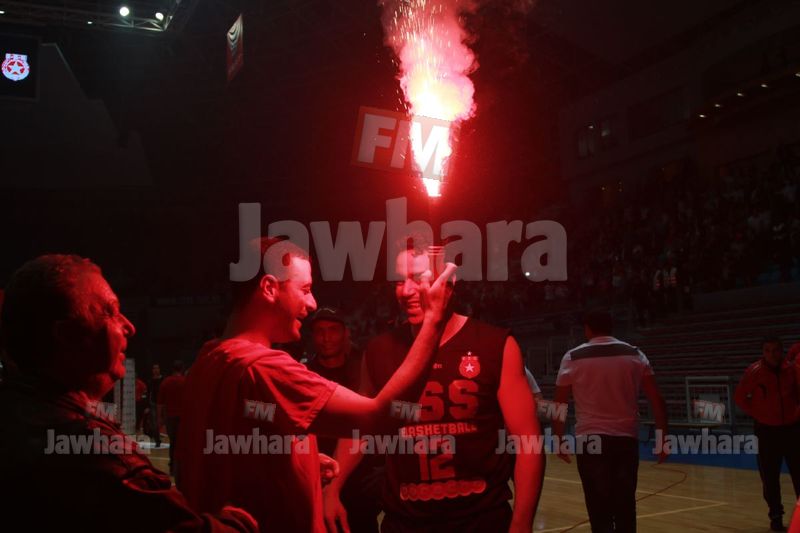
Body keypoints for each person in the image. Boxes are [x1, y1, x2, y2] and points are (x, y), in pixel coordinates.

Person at [177, 237, 455, 532]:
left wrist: (301, 459)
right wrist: (434, 320)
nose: (312, 303)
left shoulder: (210, 357)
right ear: (269, 288)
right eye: (305, 289)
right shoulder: (264, 368)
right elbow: (379, 417)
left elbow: (232, 447)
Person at [0, 254, 258, 532]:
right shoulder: (99, 456)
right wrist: (237, 522)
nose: (129, 326)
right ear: (66, 335)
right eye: (110, 311)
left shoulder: (16, 412)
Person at [325, 239, 544, 533]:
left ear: (448, 281)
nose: (406, 291)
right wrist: (332, 488)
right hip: (404, 521)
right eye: (399, 281)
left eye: (417, 278)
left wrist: (522, 522)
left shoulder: (495, 345)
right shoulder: (378, 350)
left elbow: (528, 441)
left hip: (481, 521)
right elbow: (362, 427)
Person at [553, 308, 668, 533]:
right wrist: (663, 438)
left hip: (590, 441)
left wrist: (558, 438)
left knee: (598, 509)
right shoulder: (635, 354)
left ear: (587, 329)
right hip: (626, 439)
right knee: (625, 506)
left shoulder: (573, 357)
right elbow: (657, 400)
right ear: (612, 327)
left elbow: (559, 403)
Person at [306, 307, 381, 533]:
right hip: (317, 477)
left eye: (332, 330)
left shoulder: (362, 372)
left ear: (346, 332)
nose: (326, 337)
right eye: (320, 331)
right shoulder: (304, 374)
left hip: (361, 481)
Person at [734, 336, 800, 532]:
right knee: (770, 478)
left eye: (776, 350)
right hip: (767, 431)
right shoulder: (754, 371)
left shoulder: (792, 370)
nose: (772, 354)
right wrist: (759, 413)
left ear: (782, 351)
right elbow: (740, 397)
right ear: (763, 352)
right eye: (767, 350)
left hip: (792, 429)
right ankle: (776, 516)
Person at [158, 359, 186, 476]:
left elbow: (160, 404)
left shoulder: (165, 382)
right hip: (184, 418)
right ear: (182, 369)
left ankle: (172, 468)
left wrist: (160, 419)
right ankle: (182, 468)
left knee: (173, 443)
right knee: (183, 443)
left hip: (170, 417)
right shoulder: (187, 381)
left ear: (172, 369)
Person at [148, 363, 164, 447]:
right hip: (153, 403)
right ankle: (157, 440)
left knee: (165, 422)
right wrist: (147, 405)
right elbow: (148, 393)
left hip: (163, 403)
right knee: (154, 423)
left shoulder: (163, 379)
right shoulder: (150, 380)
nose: (155, 370)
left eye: (157, 368)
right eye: (154, 368)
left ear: (159, 369)